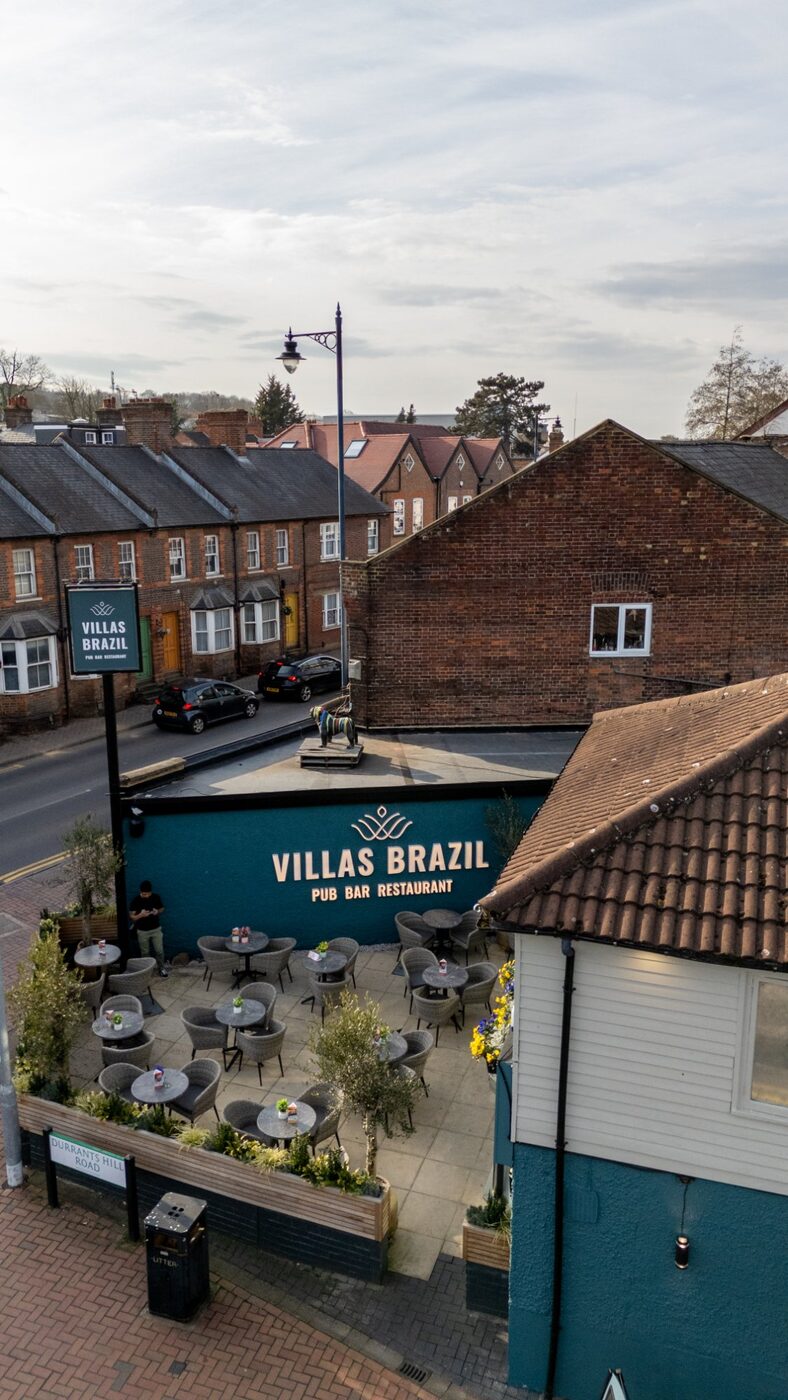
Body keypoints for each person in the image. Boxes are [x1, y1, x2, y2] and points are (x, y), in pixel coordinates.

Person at [129, 880, 169, 976]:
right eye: (143, 894)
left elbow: (162, 908)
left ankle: (162, 968)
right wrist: (141, 915)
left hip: (156, 929)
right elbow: (131, 917)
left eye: (146, 894)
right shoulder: (136, 900)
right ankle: (147, 971)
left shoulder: (156, 897)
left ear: (150, 892)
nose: (145, 895)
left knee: (159, 951)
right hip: (142, 931)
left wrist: (157, 912)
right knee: (145, 953)